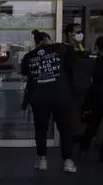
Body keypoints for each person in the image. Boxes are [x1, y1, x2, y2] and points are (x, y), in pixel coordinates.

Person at [21, 30, 77, 173]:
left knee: (41, 129)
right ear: (47, 39)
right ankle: (68, 162)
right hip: (60, 96)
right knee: (65, 129)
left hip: (39, 98)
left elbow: (24, 71)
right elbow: (73, 63)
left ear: (36, 41)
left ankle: (42, 160)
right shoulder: (61, 50)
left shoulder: (29, 56)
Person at [78, 36, 103, 161]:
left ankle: (83, 148)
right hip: (99, 95)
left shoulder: (95, 62)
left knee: (93, 124)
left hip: (97, 96)